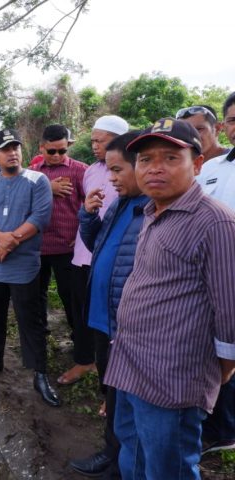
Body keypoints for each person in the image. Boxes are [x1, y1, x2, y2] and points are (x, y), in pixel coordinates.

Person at [105, 118, 235, 479]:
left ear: (196, 164)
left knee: (168, 468)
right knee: (133, 454)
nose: (154, 168)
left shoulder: (215, 223)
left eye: (169, 157)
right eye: (145, 160)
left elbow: (230, 310)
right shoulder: (152, 211)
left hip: (171, 380)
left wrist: (220, 368)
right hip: (131, 364)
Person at [69, 131, 146, 478]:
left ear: (139, 166)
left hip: (124, 324)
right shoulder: (119, 203)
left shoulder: (150, 210)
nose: (111, 178)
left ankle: (119, 462)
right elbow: (96, 244)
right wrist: (87, 215)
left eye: (117, 170)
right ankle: (112, 453)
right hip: (103, 316)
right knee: (111, 392)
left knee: (125, 401)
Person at [0, 129, 59, 407]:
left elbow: (40, 218)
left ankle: (40, 373)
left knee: (30, 321)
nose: (12, 153)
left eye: (16, 148)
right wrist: (0, 238)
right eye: (5, 149)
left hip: (24, 266)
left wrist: (9, 243)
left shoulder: (37, 180)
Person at [68, 114, 129, 387]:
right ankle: (86, 360)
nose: (93, 145)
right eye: (91, 141)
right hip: (85, 252)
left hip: (115, 258)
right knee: (84, 311)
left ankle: (115, 380)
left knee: (113, 320)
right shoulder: (91, 171)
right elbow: (88, 208)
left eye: (99, 140)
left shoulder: (133, 172)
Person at [30, 124, 92, 385]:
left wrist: (80, 237)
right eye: (51, 151)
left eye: (62, 150)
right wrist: (47, 187)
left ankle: (82, 350)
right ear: (41, 148)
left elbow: (91, 207)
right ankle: (40, 337)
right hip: (38, 247)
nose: (56, 156)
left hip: (68, 248)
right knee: (37, 295)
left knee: (73, 300)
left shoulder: (80, 171)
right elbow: (24, 201)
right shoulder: (33, 174)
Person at [196, 92, 235, 455]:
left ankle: (225, 430)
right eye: (234, 120)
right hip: (210, 276)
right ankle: (217, 427)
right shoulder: (212, 168)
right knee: (219, 350)